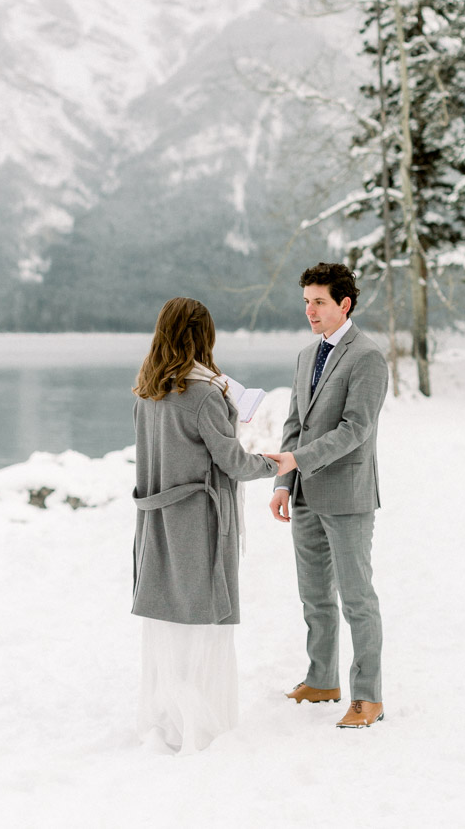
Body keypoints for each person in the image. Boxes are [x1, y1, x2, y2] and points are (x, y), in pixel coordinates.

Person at [131, 296, 278, 755]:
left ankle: (166, 721)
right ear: (202, 337)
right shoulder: (203, 395)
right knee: (203, 624)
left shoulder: (147, 391)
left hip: (156, 525)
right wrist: (277, 464)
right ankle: (201, 728)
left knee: (168, 624)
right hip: (198, 524)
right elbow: (233, 463)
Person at [267, 262, 388, 729]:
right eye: (306, 301)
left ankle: (367, 696)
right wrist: (283, 482)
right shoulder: (304, 356)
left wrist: (300, 460)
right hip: (304, 495)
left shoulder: (367, 357)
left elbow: (356, 430)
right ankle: (322, 680)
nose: (309, 311)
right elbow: (294, 424)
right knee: (314, 596)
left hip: (349, 495)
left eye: (318, 302)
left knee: (357, 598)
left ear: (344, 304)